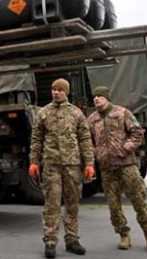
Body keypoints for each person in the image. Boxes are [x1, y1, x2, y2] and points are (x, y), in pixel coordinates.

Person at [85, 86, 147, 252]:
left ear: (107, 98)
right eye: (94, 96)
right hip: (107, 168)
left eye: (100, 96)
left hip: (127, 166)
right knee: (113, 205)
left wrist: (125, 148)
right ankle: (124, 235)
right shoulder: (92, 119)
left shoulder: (122, 113)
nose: (96, 99)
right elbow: (86, 140)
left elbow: (138, 133)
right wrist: (96, 153)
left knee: (138, 200)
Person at [29, 78, 95, 258]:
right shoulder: (43, 113)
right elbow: (36, 140)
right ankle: (50, 241)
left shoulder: (76, 113)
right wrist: (33, 161)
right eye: (53, 89)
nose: (56, 92)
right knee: (52, 205)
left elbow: (85, 140)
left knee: (72, 204)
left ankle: (72, 240)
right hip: (52, 166)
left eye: (59, 90)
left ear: (66, 92)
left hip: (72, 166)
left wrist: (89, 163)